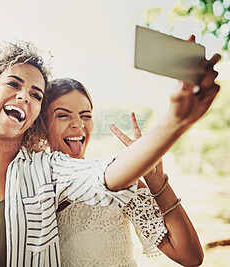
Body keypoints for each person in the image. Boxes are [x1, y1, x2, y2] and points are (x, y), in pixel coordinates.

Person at [0, 39, 220, 267]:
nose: (25, 97)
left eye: (36, 94)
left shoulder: (48, 171)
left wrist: (174, 122)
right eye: (14, 85)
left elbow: (105, 175)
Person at [42, 77, 203, 266]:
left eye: (86, 115)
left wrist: (156, 180)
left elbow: (190, 257)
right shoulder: (27, 183)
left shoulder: (119, 181)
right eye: (63, 115)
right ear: (42, 125)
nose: (78, 124)